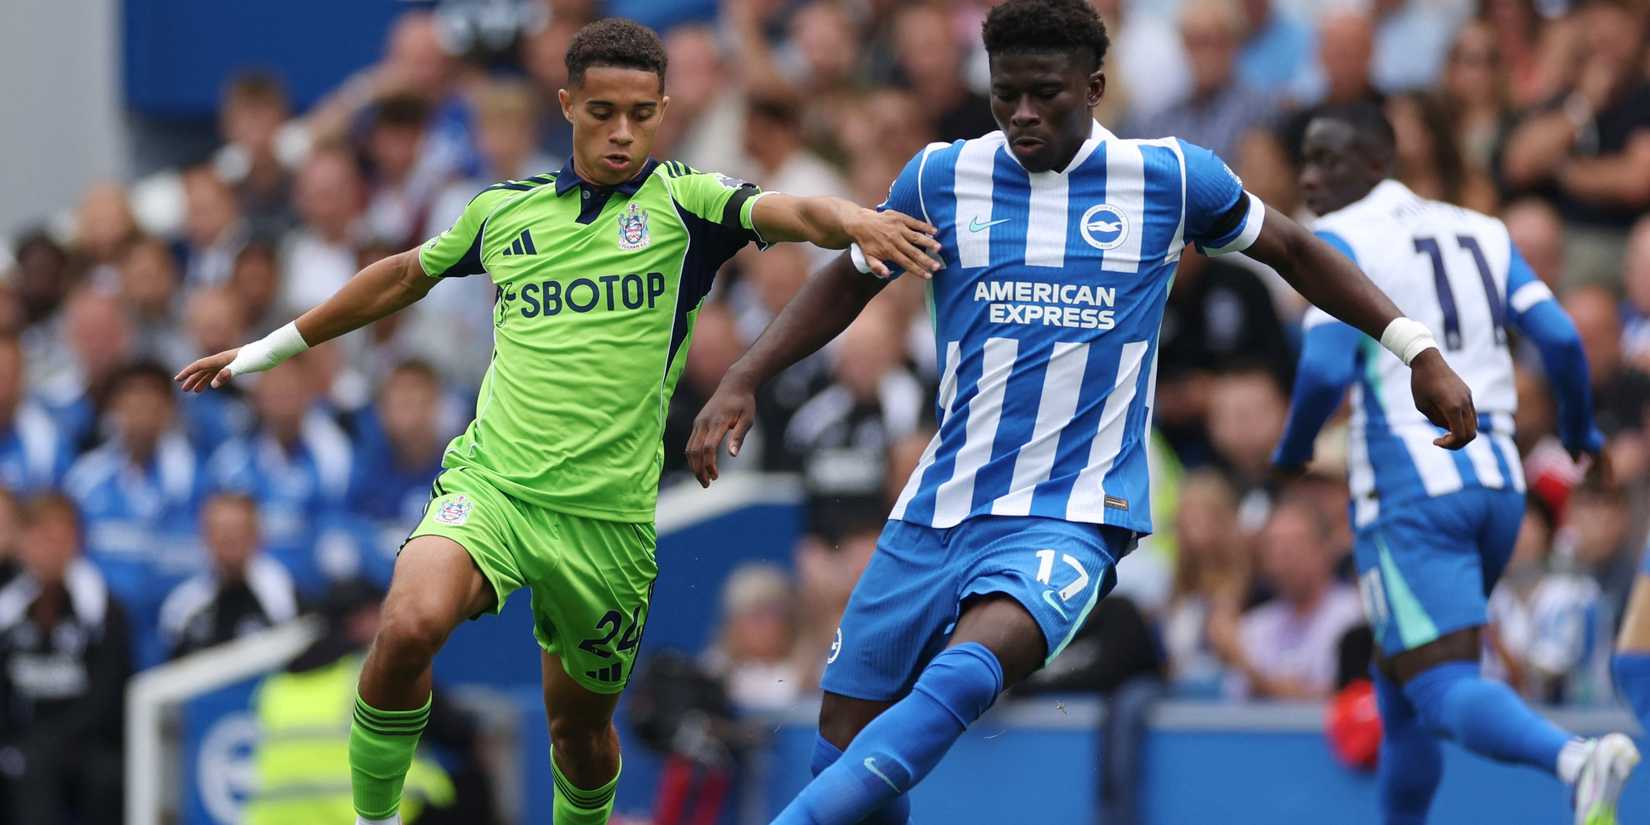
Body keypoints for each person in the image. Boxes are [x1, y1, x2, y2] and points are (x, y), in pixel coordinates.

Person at [687, 2, 1479, 822]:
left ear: (1096, 85)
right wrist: (745, 373)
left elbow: (1298, 250)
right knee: (845, 745)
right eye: (1006, 95)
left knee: (962, 673)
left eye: (1046, 94)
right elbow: (851, 277)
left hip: (1072, 512)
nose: (1023, 114)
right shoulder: (938, 177)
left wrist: (1414, 346)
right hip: (938, 505)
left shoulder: (1170, 177)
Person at [176, 18, 940, 825]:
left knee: (578, 733)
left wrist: (854, 219)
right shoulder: (503, 213)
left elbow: (787, 210)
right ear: (567, 102)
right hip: (497, 486)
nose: (622, 132)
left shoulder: (686, 203)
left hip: (606, 525)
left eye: (641, 114)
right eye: (602, 110)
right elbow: (403, 274)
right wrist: (270, 346)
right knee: (407, 624)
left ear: (664, 111)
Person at [1271, 102, 1636, 825]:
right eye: (1305, 161)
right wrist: (1577, 428)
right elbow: (1560, 340)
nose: (1309, 178)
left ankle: (1575, 760)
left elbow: (1318, 371)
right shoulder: (1481, 229)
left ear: (1379, 162)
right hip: (1499, 485)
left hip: (1412, 490)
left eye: (1329, 161)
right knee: (1400, 687)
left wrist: (1290, 452)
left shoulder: (1341, 237)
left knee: (1437, 684)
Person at [0, 493, 131, 825]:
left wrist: (53, 741)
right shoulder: (8, 607)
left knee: (102, 775)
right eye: (39, 537)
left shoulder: (102, 608)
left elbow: (109, 695)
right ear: (23, 542)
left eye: (57, 538)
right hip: (24, 741)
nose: (48, 549)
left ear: (76, 541)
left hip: (89, 746)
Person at [157, 491, 298, 660]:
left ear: (257, 535)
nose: (228, 539)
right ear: (204, 536)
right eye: (220, 530)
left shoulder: (283, 595)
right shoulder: (182, 605)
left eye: (237, 530)